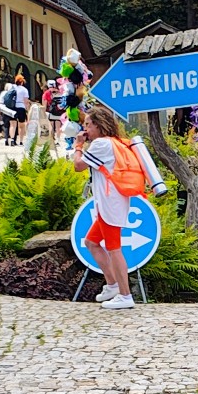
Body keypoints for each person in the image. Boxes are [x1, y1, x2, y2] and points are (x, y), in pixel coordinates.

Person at [73, 102, 139, 310]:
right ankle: (112, 285)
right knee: (92, 242)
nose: (85, 129)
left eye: (88, 125)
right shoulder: (115, 142)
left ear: (98, 125)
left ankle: (125, 295)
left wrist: (78, 146)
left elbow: (78, 166)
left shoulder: (101, 144)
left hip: (110, 203)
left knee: (114, 248)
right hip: (110, 202)